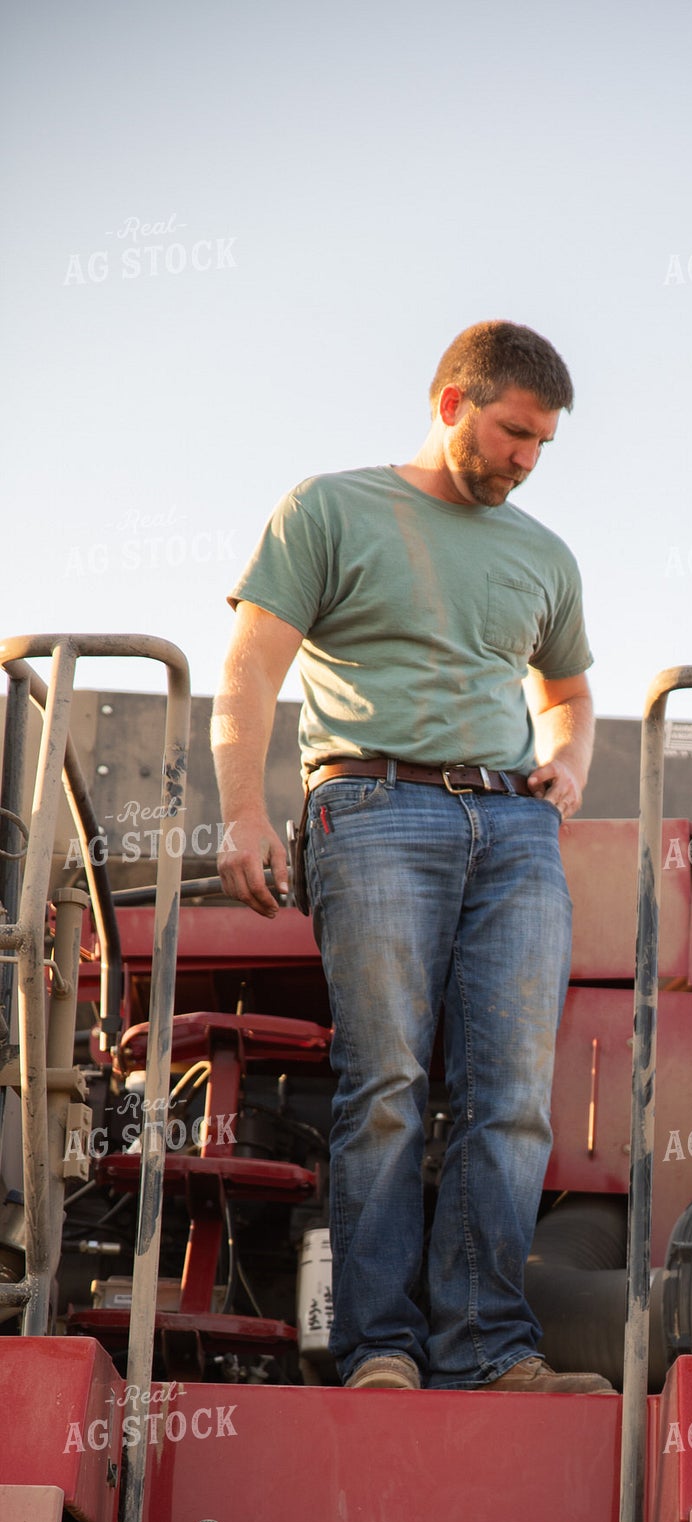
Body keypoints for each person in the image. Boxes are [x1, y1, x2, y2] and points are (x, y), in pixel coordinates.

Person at [211, 320, 612, 1395]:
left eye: (544, 444)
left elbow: (570, 696)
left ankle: (487, 1348)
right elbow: (251, 667)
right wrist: (243, 813)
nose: (527, 458)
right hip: (373, 806)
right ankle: (380, 1347)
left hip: (515, 830)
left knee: (513, 1096)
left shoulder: (545, 556)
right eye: (514, 432)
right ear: (451, 404)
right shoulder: (329, 508)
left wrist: (569, 763)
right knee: (385, 1082)